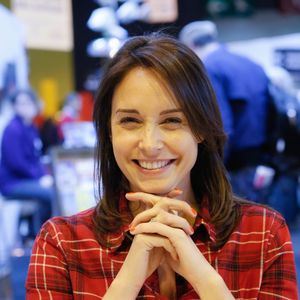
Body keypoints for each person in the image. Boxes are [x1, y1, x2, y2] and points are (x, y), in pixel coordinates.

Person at [26, 33, 298, 299]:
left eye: (172, 121)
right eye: (130, 121)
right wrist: (129, 279)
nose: (150, 144)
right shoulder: (62, 242)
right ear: (108, 131)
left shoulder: (262, 232)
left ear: (201, 127)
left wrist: (203, 277)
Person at [179, 21, 271, 204]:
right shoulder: (250, 63)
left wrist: (213, 170)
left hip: (235, 165)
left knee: (233, 223)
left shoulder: (210, 68)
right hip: (261, 160)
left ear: (190, 46)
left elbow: (221, 125)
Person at [0, 89, 54, 235]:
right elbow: (16, 163)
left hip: (27, 180)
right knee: (51, 194)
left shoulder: (30, 127)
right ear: (15, 106)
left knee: (53, 191)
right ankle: (42, 236)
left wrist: (44, 176)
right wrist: (40, 178)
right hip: (13, 183)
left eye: (28, 102)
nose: (25, 107)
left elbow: (36, 158)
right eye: (20, 103)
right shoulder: (13, 129)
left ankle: (35, 233)